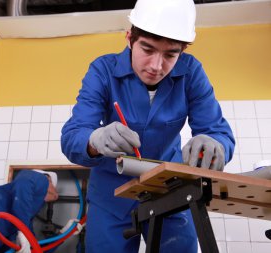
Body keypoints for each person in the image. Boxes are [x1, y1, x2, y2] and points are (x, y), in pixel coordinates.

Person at [61, 0, 235, 252]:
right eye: (148, 49)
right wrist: (94, 140)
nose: (156, 66)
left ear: (183, 50)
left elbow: (218, 131)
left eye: (170, 54)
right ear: (129, 38)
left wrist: (215, 144)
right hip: (112, 192)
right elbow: (73, 134)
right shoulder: (102, 70)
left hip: (170, 187)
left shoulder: (192, 73)